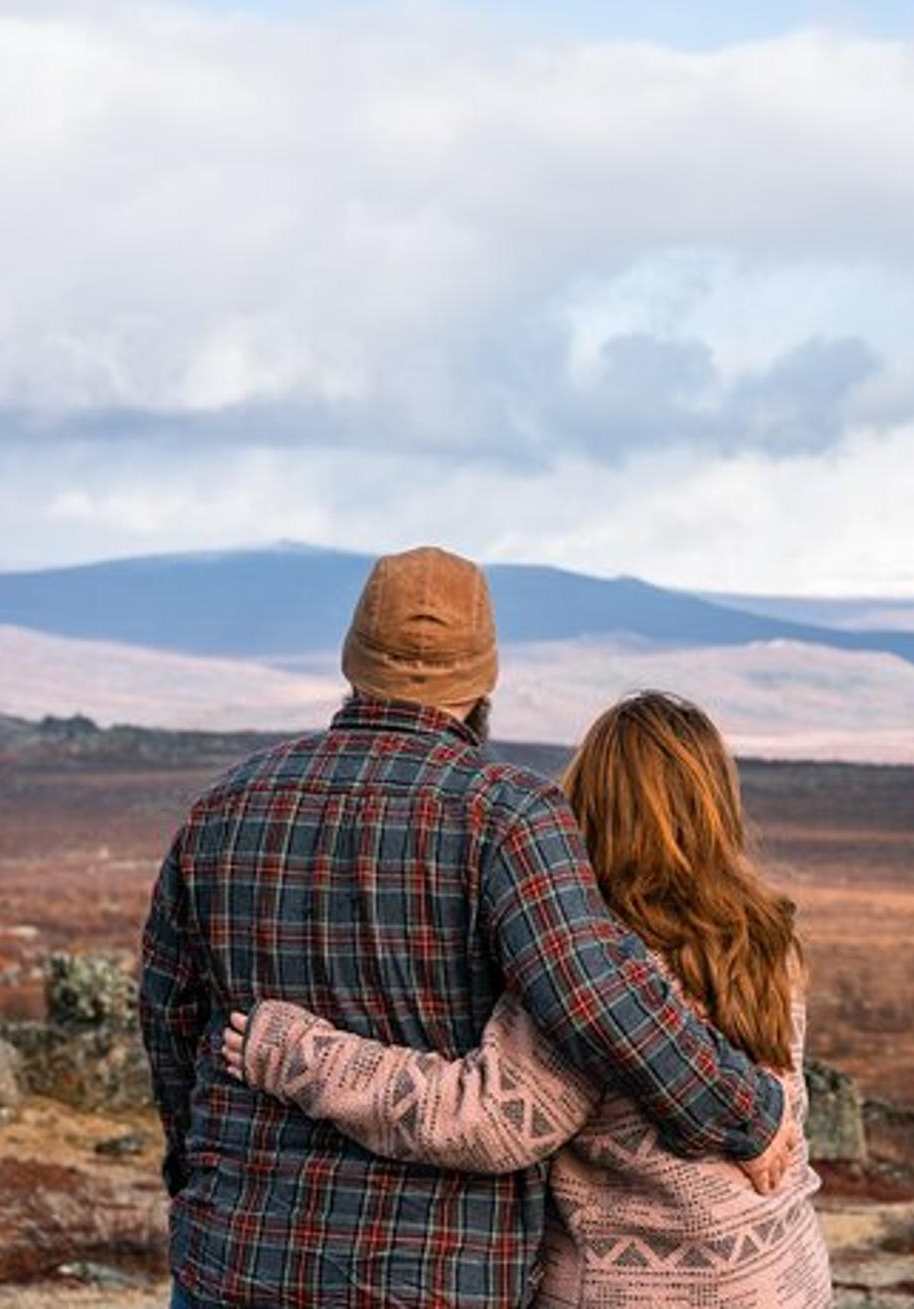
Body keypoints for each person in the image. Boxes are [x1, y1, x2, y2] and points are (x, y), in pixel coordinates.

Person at [138, 548, 795, 1307]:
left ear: (352, 661)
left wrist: (194, 1174)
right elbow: (596, 999)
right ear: (484, 679)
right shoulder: (508, 815)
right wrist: (748, 1114)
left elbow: (171, 1017)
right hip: (437, 1268)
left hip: (235, 1254)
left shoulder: (226, 804)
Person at [220, 692, 831, 1306]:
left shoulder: (589, 961)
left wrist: (300, 1054)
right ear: (716, 806)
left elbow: (489, 1121)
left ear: (586, 801)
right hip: (787, 1274)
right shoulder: (766, 938)